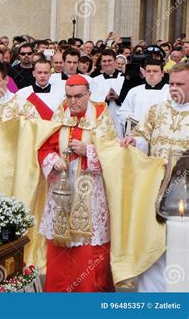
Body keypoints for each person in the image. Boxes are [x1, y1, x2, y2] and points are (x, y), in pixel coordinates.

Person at [38, 74, 117, 292]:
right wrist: (53, 161)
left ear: (89, 94)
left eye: (79, 96)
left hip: (90, 189)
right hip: (62, 189)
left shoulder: (101, 114)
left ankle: (87, 293)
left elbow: (114, 154)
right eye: (69, 96)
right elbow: (44, 146)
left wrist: (88, 151)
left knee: (88, 247)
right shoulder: (60, 112)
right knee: (60, 245)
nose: (73, 102)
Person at [120, 62, 189, 292]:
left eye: (181, 84)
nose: (174, 88)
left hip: (185, 194)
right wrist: (134, 141)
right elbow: (142, 137)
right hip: (157, 192)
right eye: (171, 83)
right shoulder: (157, 110)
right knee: (154, 247)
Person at [117, 59, 170, 135]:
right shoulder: (134, 91)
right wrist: (134, 120)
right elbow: (122, 112)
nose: (151, 74)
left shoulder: (170, 91)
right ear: (144, 73)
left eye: (155, 71)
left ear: (162, 73)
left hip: (161, 133)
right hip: (138, 134)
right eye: (148, 71)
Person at [90, 49, 125, 136]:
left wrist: (118, 98)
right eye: (104, 61)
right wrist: (106, 98)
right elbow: (92, 100)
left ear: (115, 62)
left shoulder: (124, 78)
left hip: (120, 119)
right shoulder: (95, 80)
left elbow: (129, 100)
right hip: (103, 119)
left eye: (109, 60)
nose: (107, 63)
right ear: (101, 63)